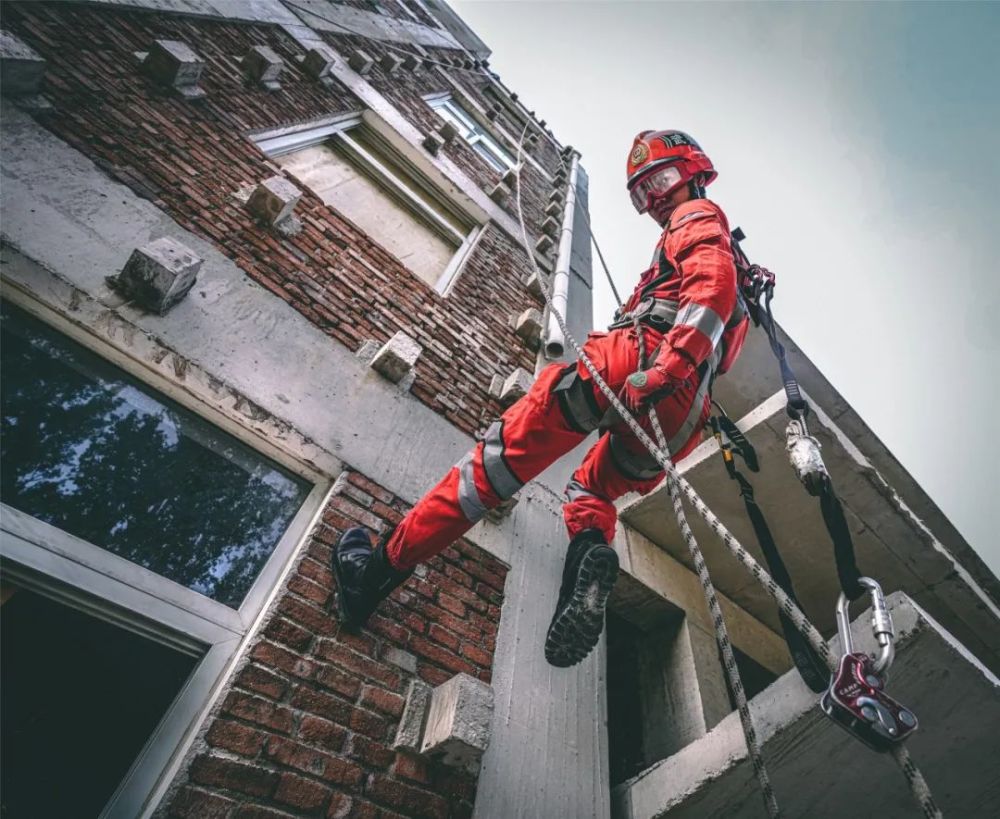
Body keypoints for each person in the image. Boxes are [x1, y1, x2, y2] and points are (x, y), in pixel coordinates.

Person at [332, 130, 750, 668]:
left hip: (639, 363)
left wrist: (666, 367)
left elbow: (710, 287)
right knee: (588, 489)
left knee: (490, 468)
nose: (656, 200)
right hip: (679, 420)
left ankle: (374, 575)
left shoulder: (697, 216)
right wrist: (675, 374)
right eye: (643, 194)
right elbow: (722, 306)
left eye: (663, 180)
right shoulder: (727, 262)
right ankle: (587, 561)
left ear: (693, 172)